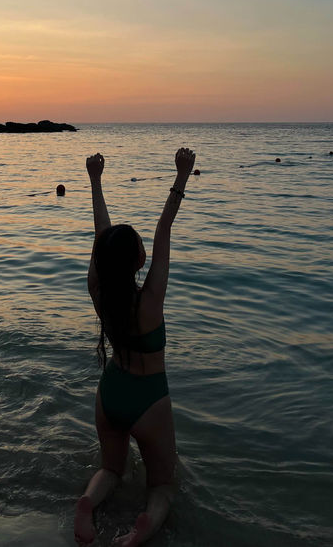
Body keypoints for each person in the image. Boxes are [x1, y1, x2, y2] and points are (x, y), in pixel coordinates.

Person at [74, 147, 196, 547]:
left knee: (110, 469)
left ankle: (89, 504)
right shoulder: (151, 300)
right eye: (140, 246)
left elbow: (101, 238)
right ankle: (140, 530)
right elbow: (165, 228)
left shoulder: (99, 293)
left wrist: (95, 180)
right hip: (149, 399)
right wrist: (181, 175)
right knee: (162, 483)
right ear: (137, 261)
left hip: (110, 392)